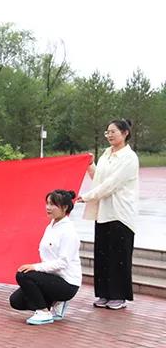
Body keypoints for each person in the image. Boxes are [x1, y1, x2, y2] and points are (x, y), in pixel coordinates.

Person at [77, 119, 139, 310]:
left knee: (118, 256)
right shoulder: (106, 154)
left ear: (125, 133)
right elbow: (99, 179)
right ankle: (104, 293)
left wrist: (86, 197)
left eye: (113, 132)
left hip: (120, 214)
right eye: (107, 132)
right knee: (103, 255)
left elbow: (111, 185)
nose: (109, 135)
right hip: (103, 212)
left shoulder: (129, 158)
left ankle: (118, 296)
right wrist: (90, 165)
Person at [10, 190, 82, 325]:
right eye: (47, 203)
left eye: (53, 205)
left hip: (67, 283)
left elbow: (63, 263)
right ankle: (55, 303)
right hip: (52, 278)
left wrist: (35, 267)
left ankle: (44, 312)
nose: (48, 208)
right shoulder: (51, 226)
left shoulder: (68, 232)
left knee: (23, 275)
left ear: (65, 207)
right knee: (16, 301)